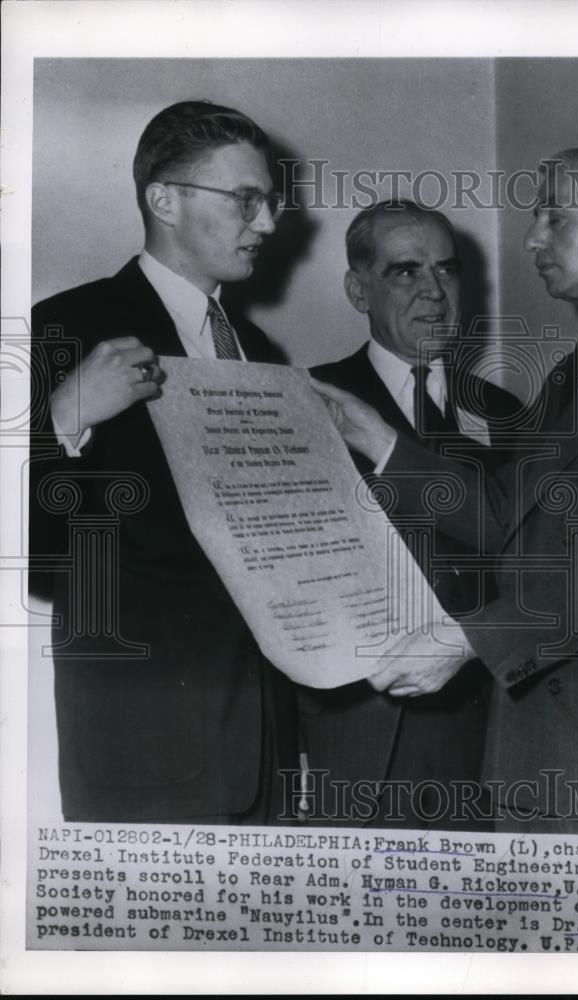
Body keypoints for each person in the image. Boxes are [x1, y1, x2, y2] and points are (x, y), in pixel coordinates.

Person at [315, 142, 578, 835]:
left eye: (554, 218)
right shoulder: (571, 374)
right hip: (534, 761)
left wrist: (466, 640)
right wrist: (378, 438)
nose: (531, 238)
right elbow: (500, 518)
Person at [30, 100, 297, 824]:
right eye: (247, 200)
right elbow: (30, 552)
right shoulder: (61, 329)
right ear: (164, 200)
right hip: (142, 745)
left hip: (266, 742)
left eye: (271, 202)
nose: (268, 223)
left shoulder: (264, 354)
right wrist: (61, 420)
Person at [300, 200, 520, 827]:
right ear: (357, 288)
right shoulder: (310, 400)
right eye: (405, 272)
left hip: (489, 728)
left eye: (446, 271)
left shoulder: (508, 414)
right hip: (364, 730)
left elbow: (523, 551)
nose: (433, 292)